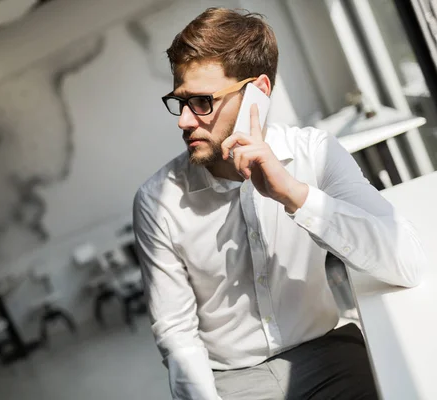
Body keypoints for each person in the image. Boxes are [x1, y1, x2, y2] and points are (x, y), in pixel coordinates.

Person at [132, 7, 427, 400]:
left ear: (259, 92)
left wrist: (294, 194)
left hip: (332, 356)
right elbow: (176, 335)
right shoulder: (158, 201)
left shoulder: (314, 153)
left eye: (202, 101)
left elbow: (406, 263)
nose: (184, 121)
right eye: (179, 101)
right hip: (233, 381)